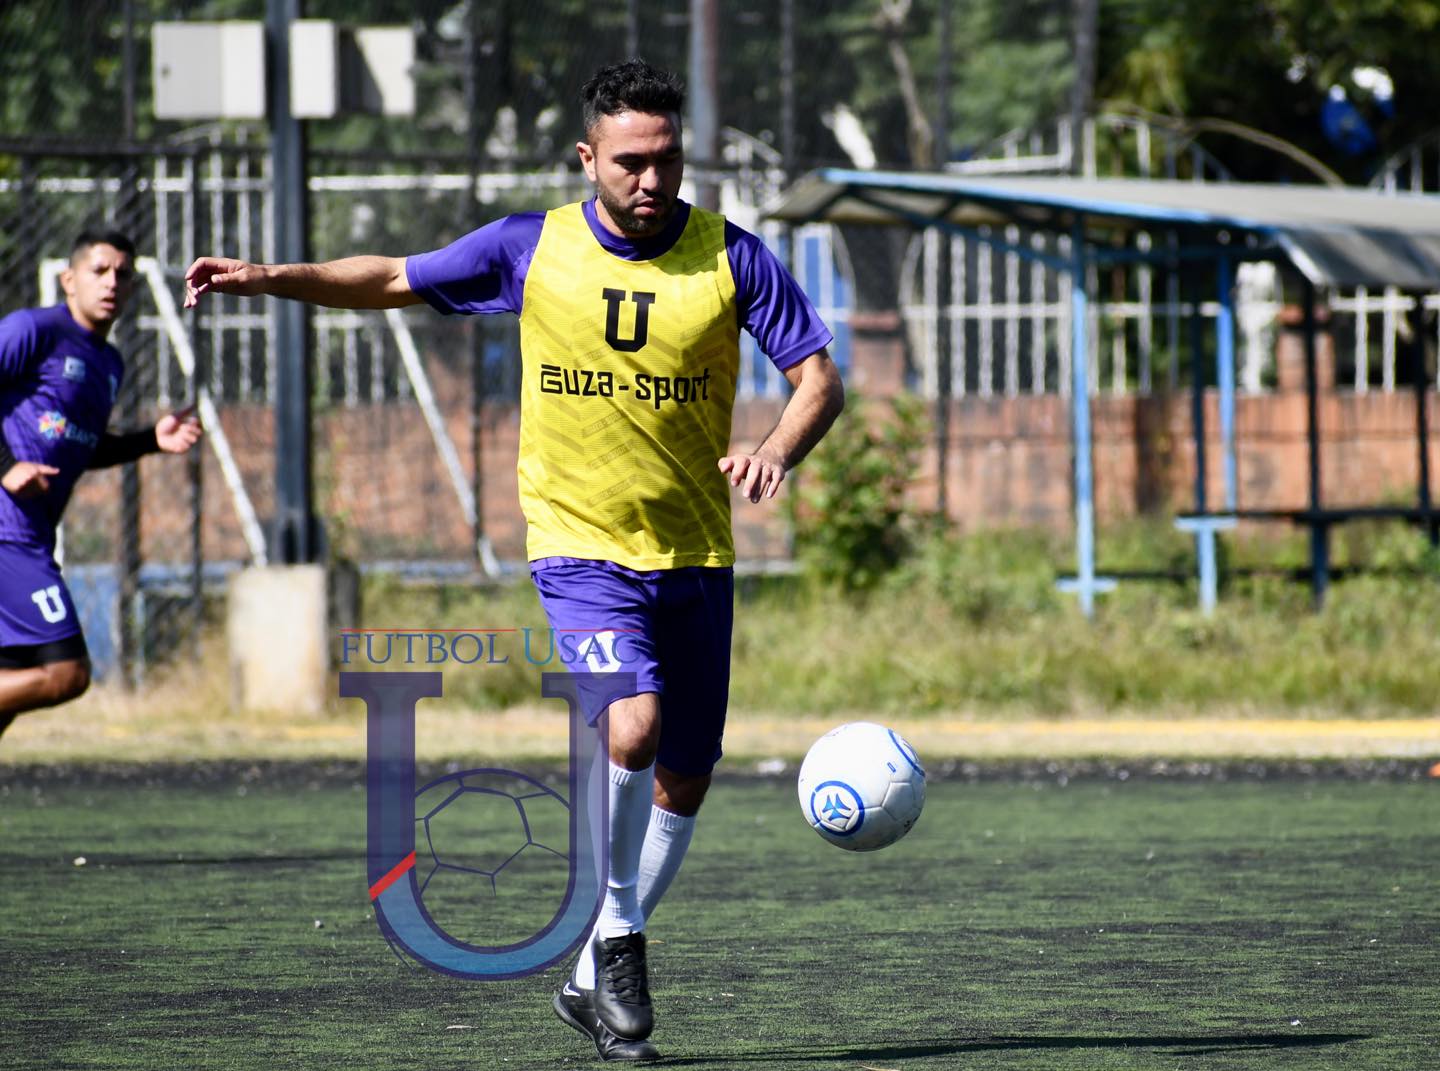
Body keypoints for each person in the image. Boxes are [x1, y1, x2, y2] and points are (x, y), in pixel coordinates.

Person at [183, 59, 843, 1062]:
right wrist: (269, 278)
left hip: (696, 552)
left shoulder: (731, 258)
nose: (653, 181)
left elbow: (817, 379)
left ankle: (590, 974)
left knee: (685, 777)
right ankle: (619, 938)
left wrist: (775, 448)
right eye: (631, 162)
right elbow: (397, 278)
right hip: (579, 549)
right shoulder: (530, 248)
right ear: (588, 157)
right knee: (634, 726)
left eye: (668, 161)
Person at [0, 230, 203, 740]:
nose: (112, 282)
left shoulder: (108, 363)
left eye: (123, 274)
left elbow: (78, 446)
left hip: (29, 536)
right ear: (69, 279)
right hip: (7, 534)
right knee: (66, 673)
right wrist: (6, 463)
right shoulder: (33, 330)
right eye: (99, 270)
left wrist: (148, 441)